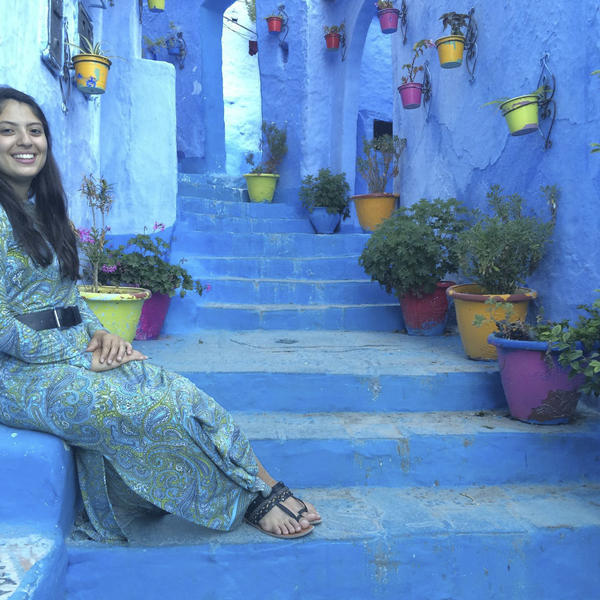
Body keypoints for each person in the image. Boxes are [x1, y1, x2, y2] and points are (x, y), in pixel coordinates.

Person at [0, 87, 320, 541]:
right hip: (15, 373)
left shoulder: (47, 210)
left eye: (34, 130)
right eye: (7, 131)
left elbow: (71, 297)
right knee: (141, 408)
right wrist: (72, 355)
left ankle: (264, 485)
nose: (24, 141)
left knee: (180, 392)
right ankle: (245, 501)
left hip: (68, 351)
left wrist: (102, 336)